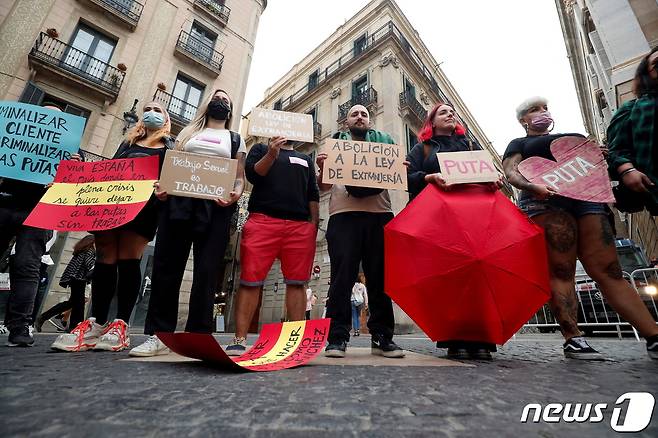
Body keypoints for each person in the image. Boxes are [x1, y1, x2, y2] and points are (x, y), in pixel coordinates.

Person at [502, 96, 658, 360]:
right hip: (545, 203)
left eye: (544, 108)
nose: (542, 112)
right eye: (533, 110)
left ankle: (654, 337)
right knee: (561, 270)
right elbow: (511, 172)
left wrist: (604, 158)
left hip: (588, 201)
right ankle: (573, 339)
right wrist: (532, 187)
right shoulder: (519, 143)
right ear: (523, 120)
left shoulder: (574, 137)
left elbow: (599, 168)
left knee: (610, 271)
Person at [130, 89, 246, 357]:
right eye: (217, 98)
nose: (221, 101)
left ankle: (199, 335)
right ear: (208, 104)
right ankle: (159, 335)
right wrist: (163, 186)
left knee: (207, 271)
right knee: (167, 267)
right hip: (179, 201)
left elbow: (239, 177)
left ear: (230, 110)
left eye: (226, 99)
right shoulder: (187, 134)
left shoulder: (235, 139)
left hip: (216, 207)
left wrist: (236, 193)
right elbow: (173, 164)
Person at [52, 102, 174, 352]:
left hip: (143, 209)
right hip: (110, 206)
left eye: (158, 110)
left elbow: (171, 181)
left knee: (129, 260)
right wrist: (79, 167)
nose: (151, 112)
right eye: (148, 108)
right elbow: (109, 170)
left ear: (166, 119)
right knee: (105, 257)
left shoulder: (169, 148)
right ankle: (96, 323)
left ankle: (121, 325)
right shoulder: (127, 145)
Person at [406, 102, 502, 360]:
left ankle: (483, 338)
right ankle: (453, 338)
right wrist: (429, 177)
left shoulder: (471, 146)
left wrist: (495, 180)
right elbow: (407, 177)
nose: (450, 114)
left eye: (452, 111)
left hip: (473, 221)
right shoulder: (422, 149)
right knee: (449, 278)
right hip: (440, 222)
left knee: (478, 275)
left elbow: (488, 176)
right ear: (432, 122)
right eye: (443, 112)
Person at [316, 104, 404, 358]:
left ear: (369, 120)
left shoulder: (384, 143)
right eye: (355, 113)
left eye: (364, 114)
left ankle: (382, 337)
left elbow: (395, 179)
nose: (360, 117)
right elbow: (323, 187)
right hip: (343, 217)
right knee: (342, 279)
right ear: (347, 121)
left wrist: (400, 168)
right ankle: (337, 338)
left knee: (379, 278)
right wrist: (323, 167)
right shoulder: (335, 144)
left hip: (379, 216)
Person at [225, 133, 319, 356]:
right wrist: (271, 153)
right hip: (262, 220)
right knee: (250, 281)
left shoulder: (305, 158)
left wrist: (313, 224)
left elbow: (312, 192)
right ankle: (239, 339)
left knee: (297, 283)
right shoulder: (259, 149)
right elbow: (253, 175)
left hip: (299, 226)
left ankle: (295, 342)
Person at [1, 104, 81, 347]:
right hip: (4, 200)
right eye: (44, 115)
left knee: (28, 267)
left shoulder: (70, 153)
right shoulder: (10, 140)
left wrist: (73, 167)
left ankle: (20, 328)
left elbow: (75, 183)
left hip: (39, 210)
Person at [606, 46, 658, 215]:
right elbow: (618, 149)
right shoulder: (632, 109)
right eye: (657, 65)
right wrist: (627, 170)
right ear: (647, 73)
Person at [36, 235, 95, 332]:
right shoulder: (90, 250)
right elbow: (89, 264)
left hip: (74, 278)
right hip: (79, 278)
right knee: (78, 303)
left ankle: (45, 317)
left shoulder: (81, 250)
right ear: (91, 242)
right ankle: (75, 326)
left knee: (74, 302)